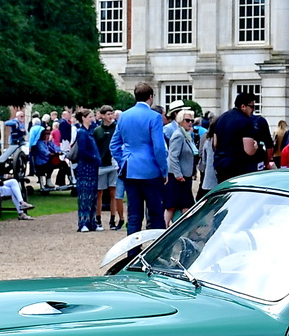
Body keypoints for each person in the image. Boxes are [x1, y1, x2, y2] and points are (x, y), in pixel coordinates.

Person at [110, 82, 169, 233]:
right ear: (151, 97)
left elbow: (114, 145)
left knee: (134, 215)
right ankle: (157, 251)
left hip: (130, 168)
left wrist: (123, 160)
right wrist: (164, 169)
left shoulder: (124, 116)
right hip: (151, 169)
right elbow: (159, 147)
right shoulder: (154, 117)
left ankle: (133, 252)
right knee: (156, 214)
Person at [208, 91, 268, 182]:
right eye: (252, 107)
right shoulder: (246, 121)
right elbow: (249, 151)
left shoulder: (222, 118)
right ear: (243, 106)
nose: (253, 110)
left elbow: (215, 144)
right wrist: (255, 146)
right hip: (239, 167)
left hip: (220, 164)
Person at [72, 110, 104, 232]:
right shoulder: (82, 132)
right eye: (90, 117)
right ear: (84, 118)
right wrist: (94, 158)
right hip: (85, 167)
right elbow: (82, 151)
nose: (92, 119)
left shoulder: (89, 131)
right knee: (84, 195)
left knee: (92, 195)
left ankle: (91, 222)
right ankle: (83, 222)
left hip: (92, 167)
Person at [165, 107, 198, 223]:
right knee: (172, 206)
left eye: (191, 120)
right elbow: (173, 156)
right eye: (187, 120)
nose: (190, 123)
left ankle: (183, 229)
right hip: (178, 176)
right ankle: (163, 229)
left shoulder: (187, 135)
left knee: (185, 205)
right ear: (180, 121)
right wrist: (178, 174)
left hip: (185, 175)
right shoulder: (178, 135)